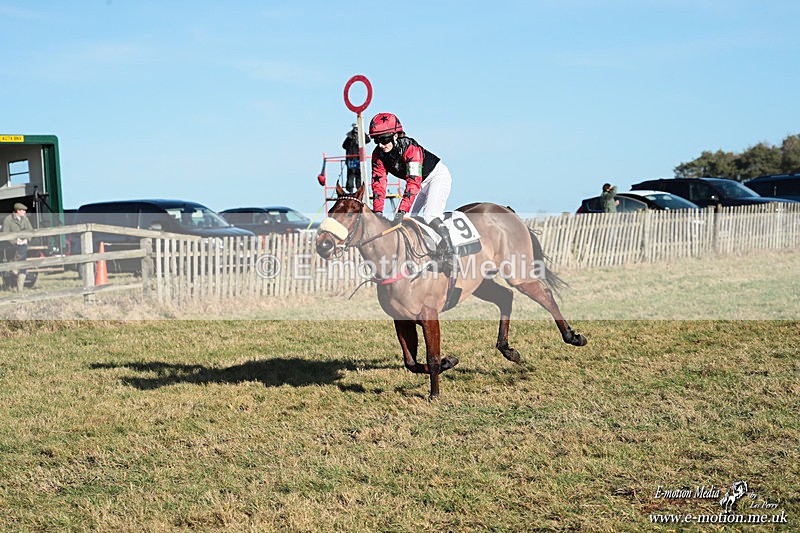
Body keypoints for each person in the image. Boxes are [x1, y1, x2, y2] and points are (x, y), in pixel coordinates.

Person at [369, 112, 454, 262]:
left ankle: (450, 254)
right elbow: (379, 184)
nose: (381, 145)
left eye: (384, 139)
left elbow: (413, 183)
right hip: (419, 184)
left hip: (436, 177)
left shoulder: (410, 148)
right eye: (376, 140)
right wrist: (378, 212)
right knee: (404, 220)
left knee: (430, 216)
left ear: (396, 135)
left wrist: (402, 210)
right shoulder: (378, 155)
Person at [2, 202, 34, 291]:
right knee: (23, 255)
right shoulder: (8, 219)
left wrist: (26, 239)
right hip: (10, 245)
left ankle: (20, 289)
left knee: (23, 260)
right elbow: (5, 234)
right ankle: (19, 288)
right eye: (23, 210)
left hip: (22, 245)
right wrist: (15, 241)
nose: (24, 212)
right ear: (17, 211)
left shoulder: (25, 219)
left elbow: (30, 231)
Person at [342, 123, 370, 192]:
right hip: (351, 160)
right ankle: (350, 190)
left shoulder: (361, 136)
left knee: (359, 175)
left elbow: (368, 140)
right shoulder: (349, 137)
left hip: (359, 159)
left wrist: (362, 132)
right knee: (351, 175)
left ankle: (358, 190)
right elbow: (344, 146)